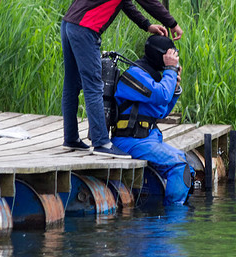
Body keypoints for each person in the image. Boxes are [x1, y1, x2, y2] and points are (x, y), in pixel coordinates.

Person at [60, 0, 183, 158]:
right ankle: (101, 143)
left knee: (71, 85)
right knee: (94, 87)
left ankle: (71, 138)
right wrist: (172, 23)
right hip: (85, 28)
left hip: (69, 24)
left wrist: (146, 25)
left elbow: (125, 3)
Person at [111, 35, 194, 205]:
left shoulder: (151, 77)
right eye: (170, 57)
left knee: (187, 165)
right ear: (161, 56)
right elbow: (161, 95)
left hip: (148, 138)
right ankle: (174, 217)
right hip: (130, 140)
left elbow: (161, 111)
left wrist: (175, 89)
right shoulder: (134, 74)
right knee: (178, 167)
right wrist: (170, 71)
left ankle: (162, 205)